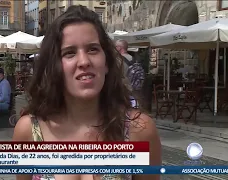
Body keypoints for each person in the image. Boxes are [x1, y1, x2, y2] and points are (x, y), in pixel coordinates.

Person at [13, 5, 161, 180]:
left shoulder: (140, 130)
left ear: (106, 62)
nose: (84, 61)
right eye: (69, 53)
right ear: (54, 67)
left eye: (92, 49)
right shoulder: (28, 131)